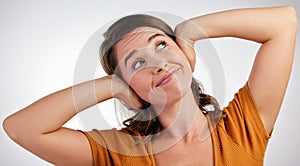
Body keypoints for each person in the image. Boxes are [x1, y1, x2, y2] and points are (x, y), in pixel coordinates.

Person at [2, 6, 297, 166]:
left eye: (161, 44)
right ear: (130, 87)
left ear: (183, 51)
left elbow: (284, 22)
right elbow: (21, 128)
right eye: (137, 63)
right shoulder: (118, 153)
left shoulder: (241, 129)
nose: (159, 63)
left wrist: (190, 31)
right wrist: (113, 86)